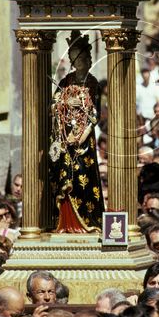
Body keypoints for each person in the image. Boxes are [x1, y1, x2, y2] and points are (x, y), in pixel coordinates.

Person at [49, 31, 104, 233]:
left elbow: (95, 114)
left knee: (83, 177)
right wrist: (65, 102)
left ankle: (87, 221)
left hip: (83, 141)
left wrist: (81, 136)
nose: (82, 61)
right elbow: (53, 106)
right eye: (77, 58)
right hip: (65, 139)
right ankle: (64, 223)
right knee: (64, 177)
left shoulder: (93, 83)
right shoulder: (65, 82)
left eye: (84, 57)